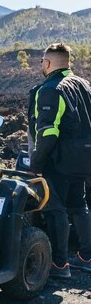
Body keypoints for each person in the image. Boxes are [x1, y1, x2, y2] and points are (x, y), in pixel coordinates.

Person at [27, 43, 91, 279]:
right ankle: (86, 256)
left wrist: (36, 164)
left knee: (55, 209)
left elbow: (48, 132)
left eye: (42, 61)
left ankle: (59, 264)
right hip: (85, 160)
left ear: (48, 63)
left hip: (60, 160)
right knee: (79, 205)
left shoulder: (51, 89)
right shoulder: (85, 85)